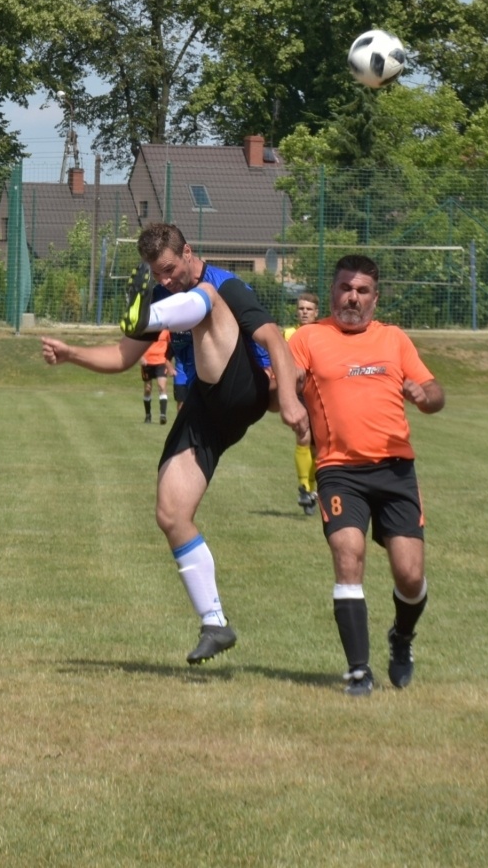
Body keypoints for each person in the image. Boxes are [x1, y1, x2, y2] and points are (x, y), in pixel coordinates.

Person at [41, 223, 307, 665]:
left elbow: (274, 338)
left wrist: (291, 399)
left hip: (247, 389)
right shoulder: (165, 292)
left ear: (188, 251)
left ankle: (151, 321)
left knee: (206, 301)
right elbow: (124, 357)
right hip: (207, 406)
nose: (165, 280)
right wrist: (72, 354)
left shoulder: (225, 283)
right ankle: (215, 622)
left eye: (169, 270)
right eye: (156, 275)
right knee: (170, 512)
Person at [285, 255, 445, 696]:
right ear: (332, 290)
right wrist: (288, 394)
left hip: (396, 470)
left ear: (375, 297)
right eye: (344, 288)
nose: (351, 297)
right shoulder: (309, 338)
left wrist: (423, 395)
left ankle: (402, 638)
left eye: (362, 291)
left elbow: (435, 393)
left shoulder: (394, 340)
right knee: (348, 554)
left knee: (409, 576)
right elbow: (282, 382)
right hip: (339, 470)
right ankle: (358, 670)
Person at [286, 292, 321, 514]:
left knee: (319, 448)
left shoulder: (324, 334)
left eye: (308, 309)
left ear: (316, 312)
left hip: (321, 397)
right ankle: (304, 487)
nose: (304, 312)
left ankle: (312, 490)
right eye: (301, 308)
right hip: (299, 395)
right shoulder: (288, 334)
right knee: (303, 437)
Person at [139, 329, 171, 424]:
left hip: (160, 362)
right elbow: (138, 345)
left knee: (162, 387)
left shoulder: (166, 331)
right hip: (147, 362)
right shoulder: (147, 330)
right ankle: (148, 415)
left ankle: (163, 415)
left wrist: (167, 359)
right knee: (147, 389)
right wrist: (141, 357)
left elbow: (170, 345)